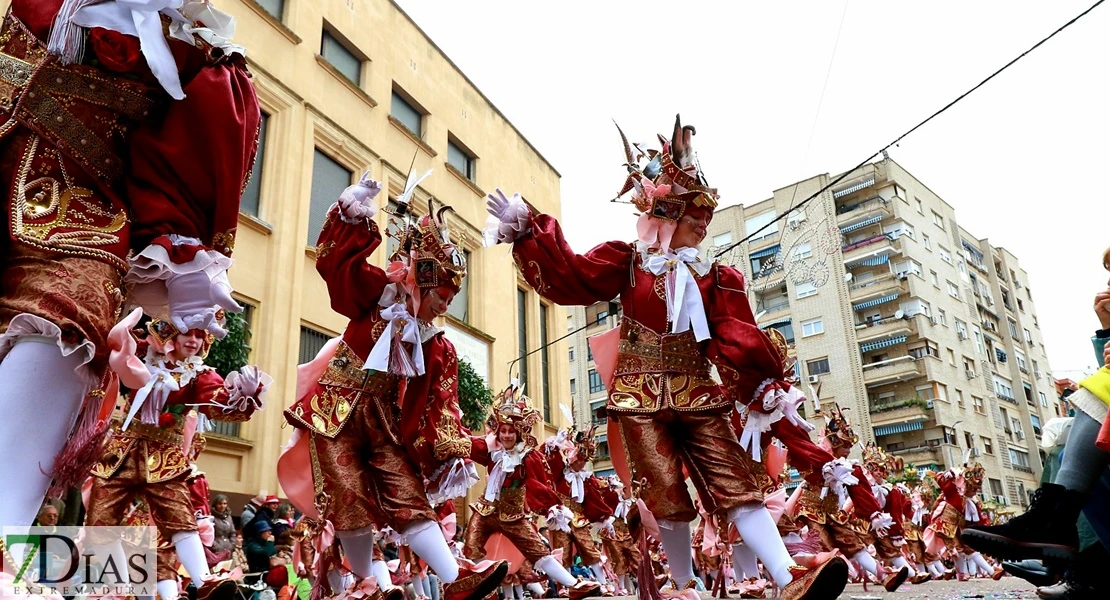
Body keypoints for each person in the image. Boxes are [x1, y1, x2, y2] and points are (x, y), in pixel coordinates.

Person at [486, 115, 847, 600]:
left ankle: (788, 577)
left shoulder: (716, 278)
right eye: (693, 217)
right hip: (638, 397)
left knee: (735, 480)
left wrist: (762, 385)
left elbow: (734, 337)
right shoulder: (627, 261)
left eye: (705, 219)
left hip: (699, 391)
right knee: (665, 493)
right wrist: (530, 231)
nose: (702, 226)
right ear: (666, 216)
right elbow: (571, 277)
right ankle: (683, 585)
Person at [0, 0, 261, 540]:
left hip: (77, 219)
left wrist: (183, 251)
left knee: (70, 311)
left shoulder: (191, 45)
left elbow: (204, 134)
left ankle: (4, 527)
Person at [278, 171, 506, 600]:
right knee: (349, 496)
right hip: (335, 411)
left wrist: (470, 450)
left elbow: (443, 411)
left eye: (449, 301)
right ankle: (364, 583)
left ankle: (455, 577)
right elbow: (335, 269)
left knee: (410, 496)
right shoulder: (376, 296)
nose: (442, 308)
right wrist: (350, 215)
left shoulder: (438, 347)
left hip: (387, 424)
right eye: (441, 295)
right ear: (419, 278)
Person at [85, 315, 268, 600]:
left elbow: (217, 399)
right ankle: (119, 588)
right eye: (187, 334)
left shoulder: (199, 375)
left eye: (199, 336)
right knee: (99, 522)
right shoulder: (145, 353)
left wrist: (241, 395)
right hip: (122, 452)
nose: (193, 341)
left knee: (180, 520)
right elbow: (117, 349)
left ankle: (204, 580)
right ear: (172, 335)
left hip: (164, 460)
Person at [462, 386, 600, 600]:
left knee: (539, 552)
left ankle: (575, 585)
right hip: (485, 510)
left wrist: (551, 508)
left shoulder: (527, 457)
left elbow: (538, 485)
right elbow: (468, 446)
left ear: (518, 432)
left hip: (513, 516)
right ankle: (480, 590)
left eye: (511, 431)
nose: (506, 435)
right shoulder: (491, 450)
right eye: (503, 431)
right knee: (471, 546)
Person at [790, 406, 907, 592]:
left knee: (854, 543)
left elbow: (861, 492)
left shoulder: (850, 467)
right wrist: (825, 469)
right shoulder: (816, 456)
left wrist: (874, 515)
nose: (847, 451)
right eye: (845, 446)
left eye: (849, 447)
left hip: (834, 512)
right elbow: (804, 467)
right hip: (810, 509)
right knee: (820, 546)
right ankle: (799, 582)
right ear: (833, 442)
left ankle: (883, 575)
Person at [542, 429, 614, 586]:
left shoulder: (586, 478)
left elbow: (595, 499)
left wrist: (605, 517)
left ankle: (603, 583)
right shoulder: (560, 473)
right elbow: (549, 462)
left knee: (589, 548)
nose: (582, 463)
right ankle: (567, 586)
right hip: (560, 516)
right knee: (563, 551)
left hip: (579, 518)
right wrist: (556, 445)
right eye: (579, 459)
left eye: (584, 460)